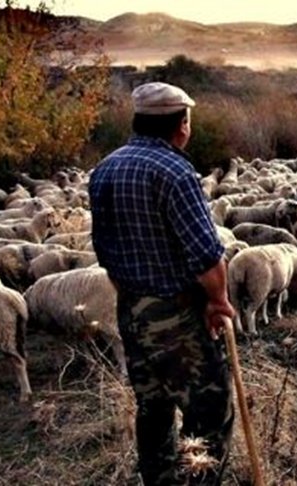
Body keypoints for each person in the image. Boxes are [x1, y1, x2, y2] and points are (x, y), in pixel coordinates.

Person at [89, 82, 236, 485]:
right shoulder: (175, 171)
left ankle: (158, 479)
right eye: (187, 120)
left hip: (130, 307)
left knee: (152, 405)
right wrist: (218, 301)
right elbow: (207, 255)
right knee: (209, 407)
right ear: (181, 124)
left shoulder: (105, 169)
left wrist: (132, 298)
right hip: (175, 313)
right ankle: (198, 480)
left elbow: (104, 248)